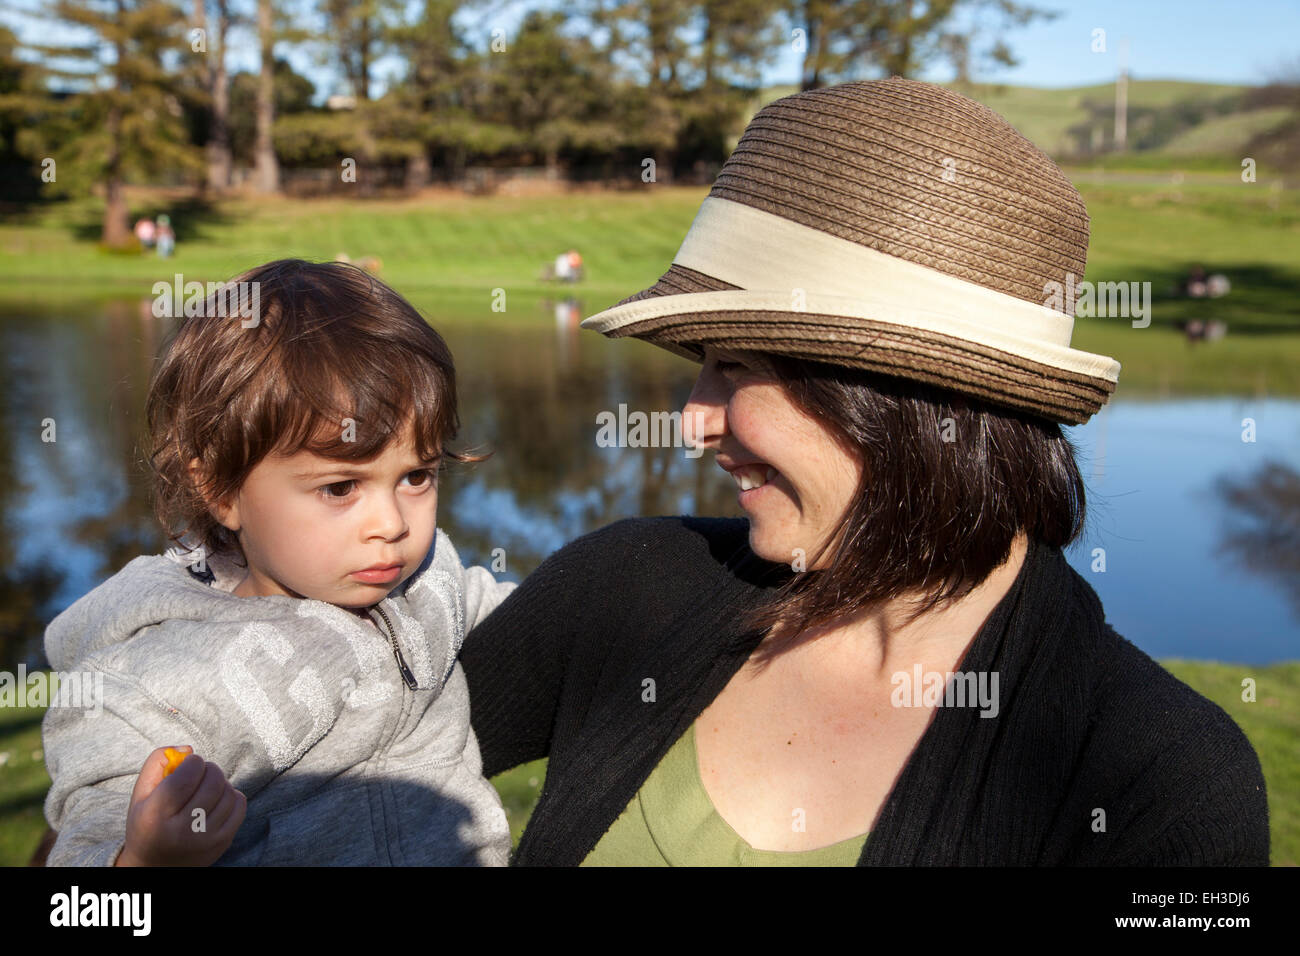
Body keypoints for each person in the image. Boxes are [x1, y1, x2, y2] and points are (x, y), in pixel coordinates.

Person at [457, 77, 1269, 865]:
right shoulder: (626, 587)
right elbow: (364, 748)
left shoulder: (1160, 777)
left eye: (733, 366)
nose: (692, 422)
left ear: (899, 401)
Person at [40, 259, 515, 866]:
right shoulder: (153, 687)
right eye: (341, 488)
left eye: (416, 476)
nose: (392, 524)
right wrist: (146, 859)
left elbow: (534, 615)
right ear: (221, 488)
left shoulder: (428, 580)